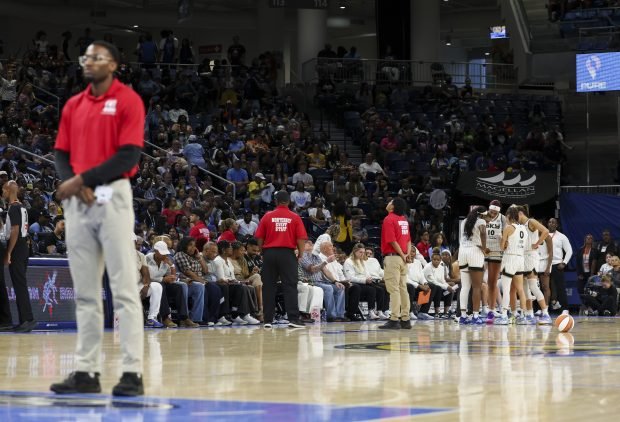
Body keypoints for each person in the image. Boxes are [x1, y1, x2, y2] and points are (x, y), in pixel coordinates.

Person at [51, 41, 145, 396]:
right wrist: (72, 181)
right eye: (86, 57)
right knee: (86, 293)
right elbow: (61, 152)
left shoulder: (128, 100)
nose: (89, 62)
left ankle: (132, 373)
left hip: (113, 196)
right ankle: (86, 371)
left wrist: (82, 179)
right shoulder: (73, 104)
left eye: (97, 57)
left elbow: (128, 155)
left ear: (114, 65)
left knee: (123, 289)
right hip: (78, 201)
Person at [254, 191, 308, 328]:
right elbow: (301, 238)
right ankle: (293, 319)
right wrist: (301, 253)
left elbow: (259, 237)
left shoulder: (267, 216)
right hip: (287, 254)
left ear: (276, 201)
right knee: (290, 286)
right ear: (289, 202)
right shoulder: (295, 217)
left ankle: (267, 321)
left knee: (268, 287)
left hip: (269, 253)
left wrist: (262, 251)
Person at [1, 180, 35, 332]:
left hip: (17, 247)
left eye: (3, 189)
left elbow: (14, 231)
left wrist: (8, 252)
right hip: (23, 247)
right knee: (20, 284)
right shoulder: (22, 207)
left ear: (8, 190)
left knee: (19, 285)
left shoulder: (14, 208)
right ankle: (24, 320)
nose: (2, 192)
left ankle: (28, 319)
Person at [379, 197, 412, 329]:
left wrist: (402, 254)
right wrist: (406, 254)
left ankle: (394, 319)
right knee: (403, 288)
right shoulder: (403, 220)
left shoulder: (389, 219)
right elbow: (409, 240)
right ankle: (405, 319)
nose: (388, 203)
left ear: (392, 206)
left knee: (393, 289)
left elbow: (392, 240)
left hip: (393, 257)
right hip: (403, 259)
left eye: (390, 202)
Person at [517, 205, 552, 325]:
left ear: (521, 213)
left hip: (531, 256)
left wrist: (537, 243)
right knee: (524, 287)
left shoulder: (531, 221)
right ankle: (529, 314)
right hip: (522, 256)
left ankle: (545, 312)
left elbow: (546, 231)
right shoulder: (520, 226)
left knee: (533, 286)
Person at [495, 206, 528, 325]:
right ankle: (523, 316)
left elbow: (502, 247)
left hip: (510, 258)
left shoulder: (508, 228)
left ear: (509, 216)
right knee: (520, 289)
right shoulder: (524, 229)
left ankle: (504, 315)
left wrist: (500, 238)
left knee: (507, 289)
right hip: (520, 259)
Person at [458, 206, 488, 325]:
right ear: (482, 214)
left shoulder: (464, 221)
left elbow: (467, 239)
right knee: (476, 287)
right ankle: (475, 316)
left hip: (463, 252)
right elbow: (483, 234)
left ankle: (463, 316)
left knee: (465, 287)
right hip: (474, 253)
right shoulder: (481, 221)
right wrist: (485, 248)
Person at [485, 200, 505, 320]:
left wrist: (503, 239)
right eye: (490, 212)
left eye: (494, 212)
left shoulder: (503, 219)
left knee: (492, 283)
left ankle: (491, 310)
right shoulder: (482, 215)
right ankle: (474, 311)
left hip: (496, 252)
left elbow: (507, 236)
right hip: (482, 251)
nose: (491, 214)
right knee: (476, 283)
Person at [548, 218, 573, 312]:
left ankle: (565, 308)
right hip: (545, 265)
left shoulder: (562, 236)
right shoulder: (543, 234)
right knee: (545, 287)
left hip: (557, 264)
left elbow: (569, 251)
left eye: (553, 222)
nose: (551, 223)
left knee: (560, 287)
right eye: (549, 222)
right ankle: (543, 308)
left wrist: (564, 262)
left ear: (557, 225)